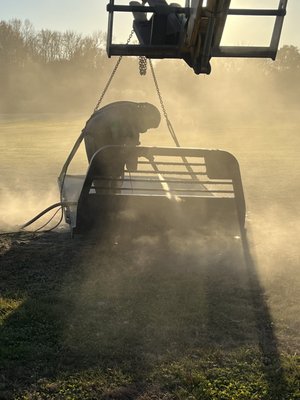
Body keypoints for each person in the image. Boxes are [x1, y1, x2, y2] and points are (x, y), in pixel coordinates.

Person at [83, 101, 161, 182]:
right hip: (98, 136)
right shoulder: (131, 120)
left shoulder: (128, 111)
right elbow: (131, 166)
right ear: (145, 117)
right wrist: (142, 152)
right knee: (108, 177)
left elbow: (127, 150)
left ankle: (105, 191)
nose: (146, 130)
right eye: (148, 126)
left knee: (101, 177)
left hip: (91, 133)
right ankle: (107, 192)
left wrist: (139, 153)